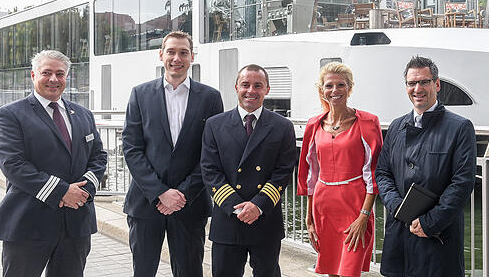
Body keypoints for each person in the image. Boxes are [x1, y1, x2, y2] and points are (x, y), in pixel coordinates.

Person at [0, 50, 107, 277]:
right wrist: (62, 192)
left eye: (60, 74)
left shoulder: (83, 114)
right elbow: (13, 164)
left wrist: (83, 191)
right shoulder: (11, 115)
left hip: (76, 223)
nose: (54, 79)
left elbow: (98, 157)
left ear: (66, 78)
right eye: (46, 73)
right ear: (33, 75)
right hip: (29, 223)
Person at [122, 31, 223, 277]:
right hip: (146, 204)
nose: (176, 58)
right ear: (161, 55)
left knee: (189, 271)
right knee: (143, 271)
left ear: (192, 57)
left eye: (183, 52)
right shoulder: (140, 94)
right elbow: (132, 148)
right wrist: (160, 193)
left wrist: (182, 195)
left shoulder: (210, 98)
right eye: (171, 52)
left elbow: (211, 154)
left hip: (190, 205)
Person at [375, 56, 476, 277]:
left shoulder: (459, 127)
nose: (417, 88)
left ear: (437, 85)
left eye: (424, 82)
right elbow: (382, 173)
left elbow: (462, 183)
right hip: (400, 231)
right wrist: (397, 206)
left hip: (437, 236)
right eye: (412, 83)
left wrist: (430, 222)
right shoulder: (396, 126)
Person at [201, 64, 297, 277]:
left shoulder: (282, 126)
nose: (251, 91)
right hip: (228, 219)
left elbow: (283, 172)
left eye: (258, 85)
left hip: (265, 219)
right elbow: (210, 170)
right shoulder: (215, 125)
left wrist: (257, 206)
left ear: (267, 90)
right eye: (245, 84)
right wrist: (238, 208)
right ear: (236, 87)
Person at [296, 62, 383, 277]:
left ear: (349, 88)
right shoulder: (313, 124)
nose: (334, 91)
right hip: (323, 206)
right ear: (322, 90)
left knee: (349, 271)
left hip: (355, 205)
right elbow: (309, 174)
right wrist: (309, 219)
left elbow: (374, 173)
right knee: (332, 270)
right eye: (329, 86)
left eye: (340, 85)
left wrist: (364, 216)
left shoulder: (368, 123)